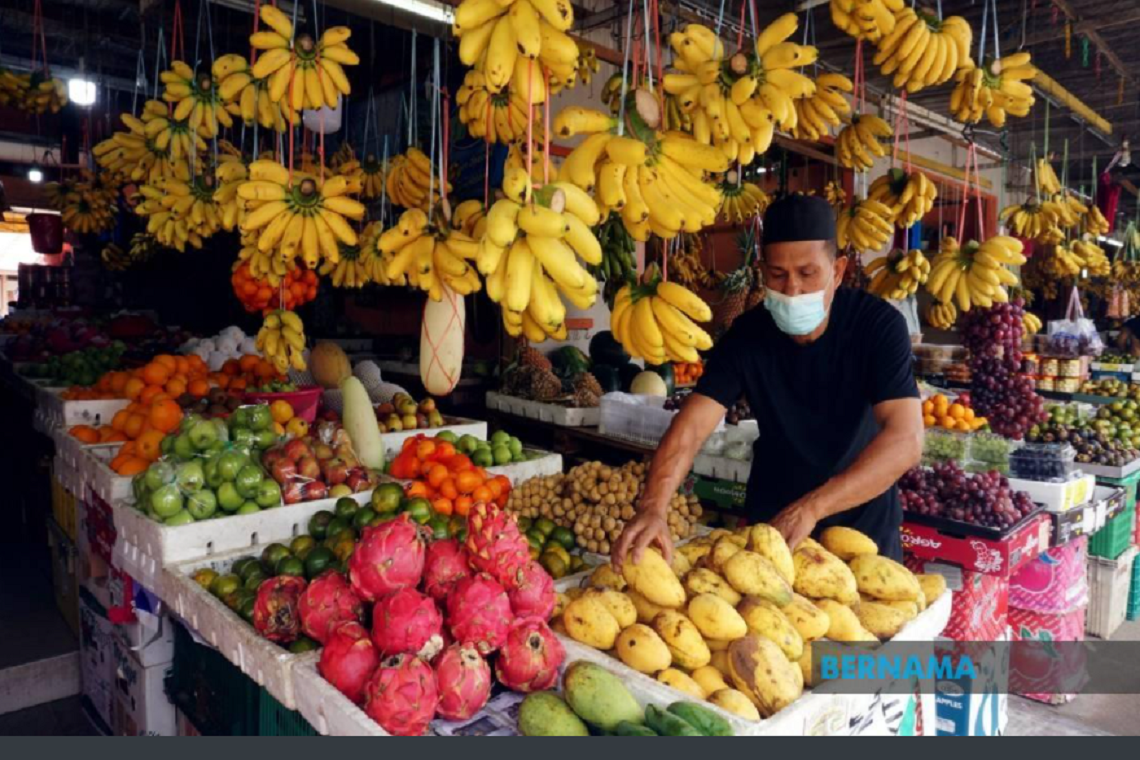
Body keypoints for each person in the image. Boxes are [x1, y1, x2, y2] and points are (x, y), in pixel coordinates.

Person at [612, 194, 924, 569]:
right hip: (772, 528)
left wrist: (813, 507)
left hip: (861, 529)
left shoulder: (877, 327)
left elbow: (906, 440)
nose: (792, 289)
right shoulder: (748, 336)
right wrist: (653, 507)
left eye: (808, 274)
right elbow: (691, 427)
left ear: (838, 271)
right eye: (778, 275)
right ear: (762, 271)